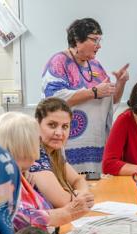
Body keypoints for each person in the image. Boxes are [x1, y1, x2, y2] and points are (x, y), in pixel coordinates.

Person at [41, 18, 130, 174]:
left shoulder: (95, 65)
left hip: (96, 147)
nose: (99, 45)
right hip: (67, 145)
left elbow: (112, 99)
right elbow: (53, 99)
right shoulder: (59, 62)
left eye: (100, 40)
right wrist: (94, 92)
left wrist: (120, 83)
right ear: (77, 40)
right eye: (94, 39)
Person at [0, 112, 90, 230]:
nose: (36, 155)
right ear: (24, 146)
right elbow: (20, 217)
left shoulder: (16, 174)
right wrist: (68, 212)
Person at [28, 97, 95, 209]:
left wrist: (81, 193)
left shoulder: (55, 151)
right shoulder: (34, 154)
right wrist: (79, 198)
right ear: (37, 124)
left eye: (65, 126)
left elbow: (77, 179)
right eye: (52, 125)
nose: (59, 133)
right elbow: (63, 201)